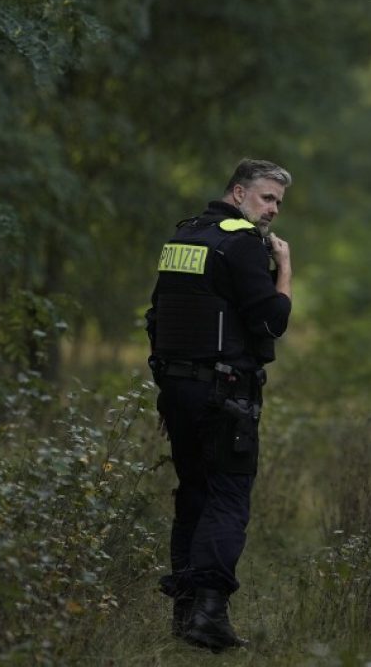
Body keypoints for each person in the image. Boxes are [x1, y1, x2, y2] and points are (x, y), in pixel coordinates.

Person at [145, 158, 293, 650]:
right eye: (266, 197)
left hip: (178, 390)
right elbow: (272, 322)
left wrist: (168, 392)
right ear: (237, 193)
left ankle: (183, 617)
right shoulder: (243, 244)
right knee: (227, 496)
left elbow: (156, 317)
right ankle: (208, 616)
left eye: (277, 202)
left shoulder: (183, 239)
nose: (271, 210)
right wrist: (285, 268)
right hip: (225, 393)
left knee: (192, 495)